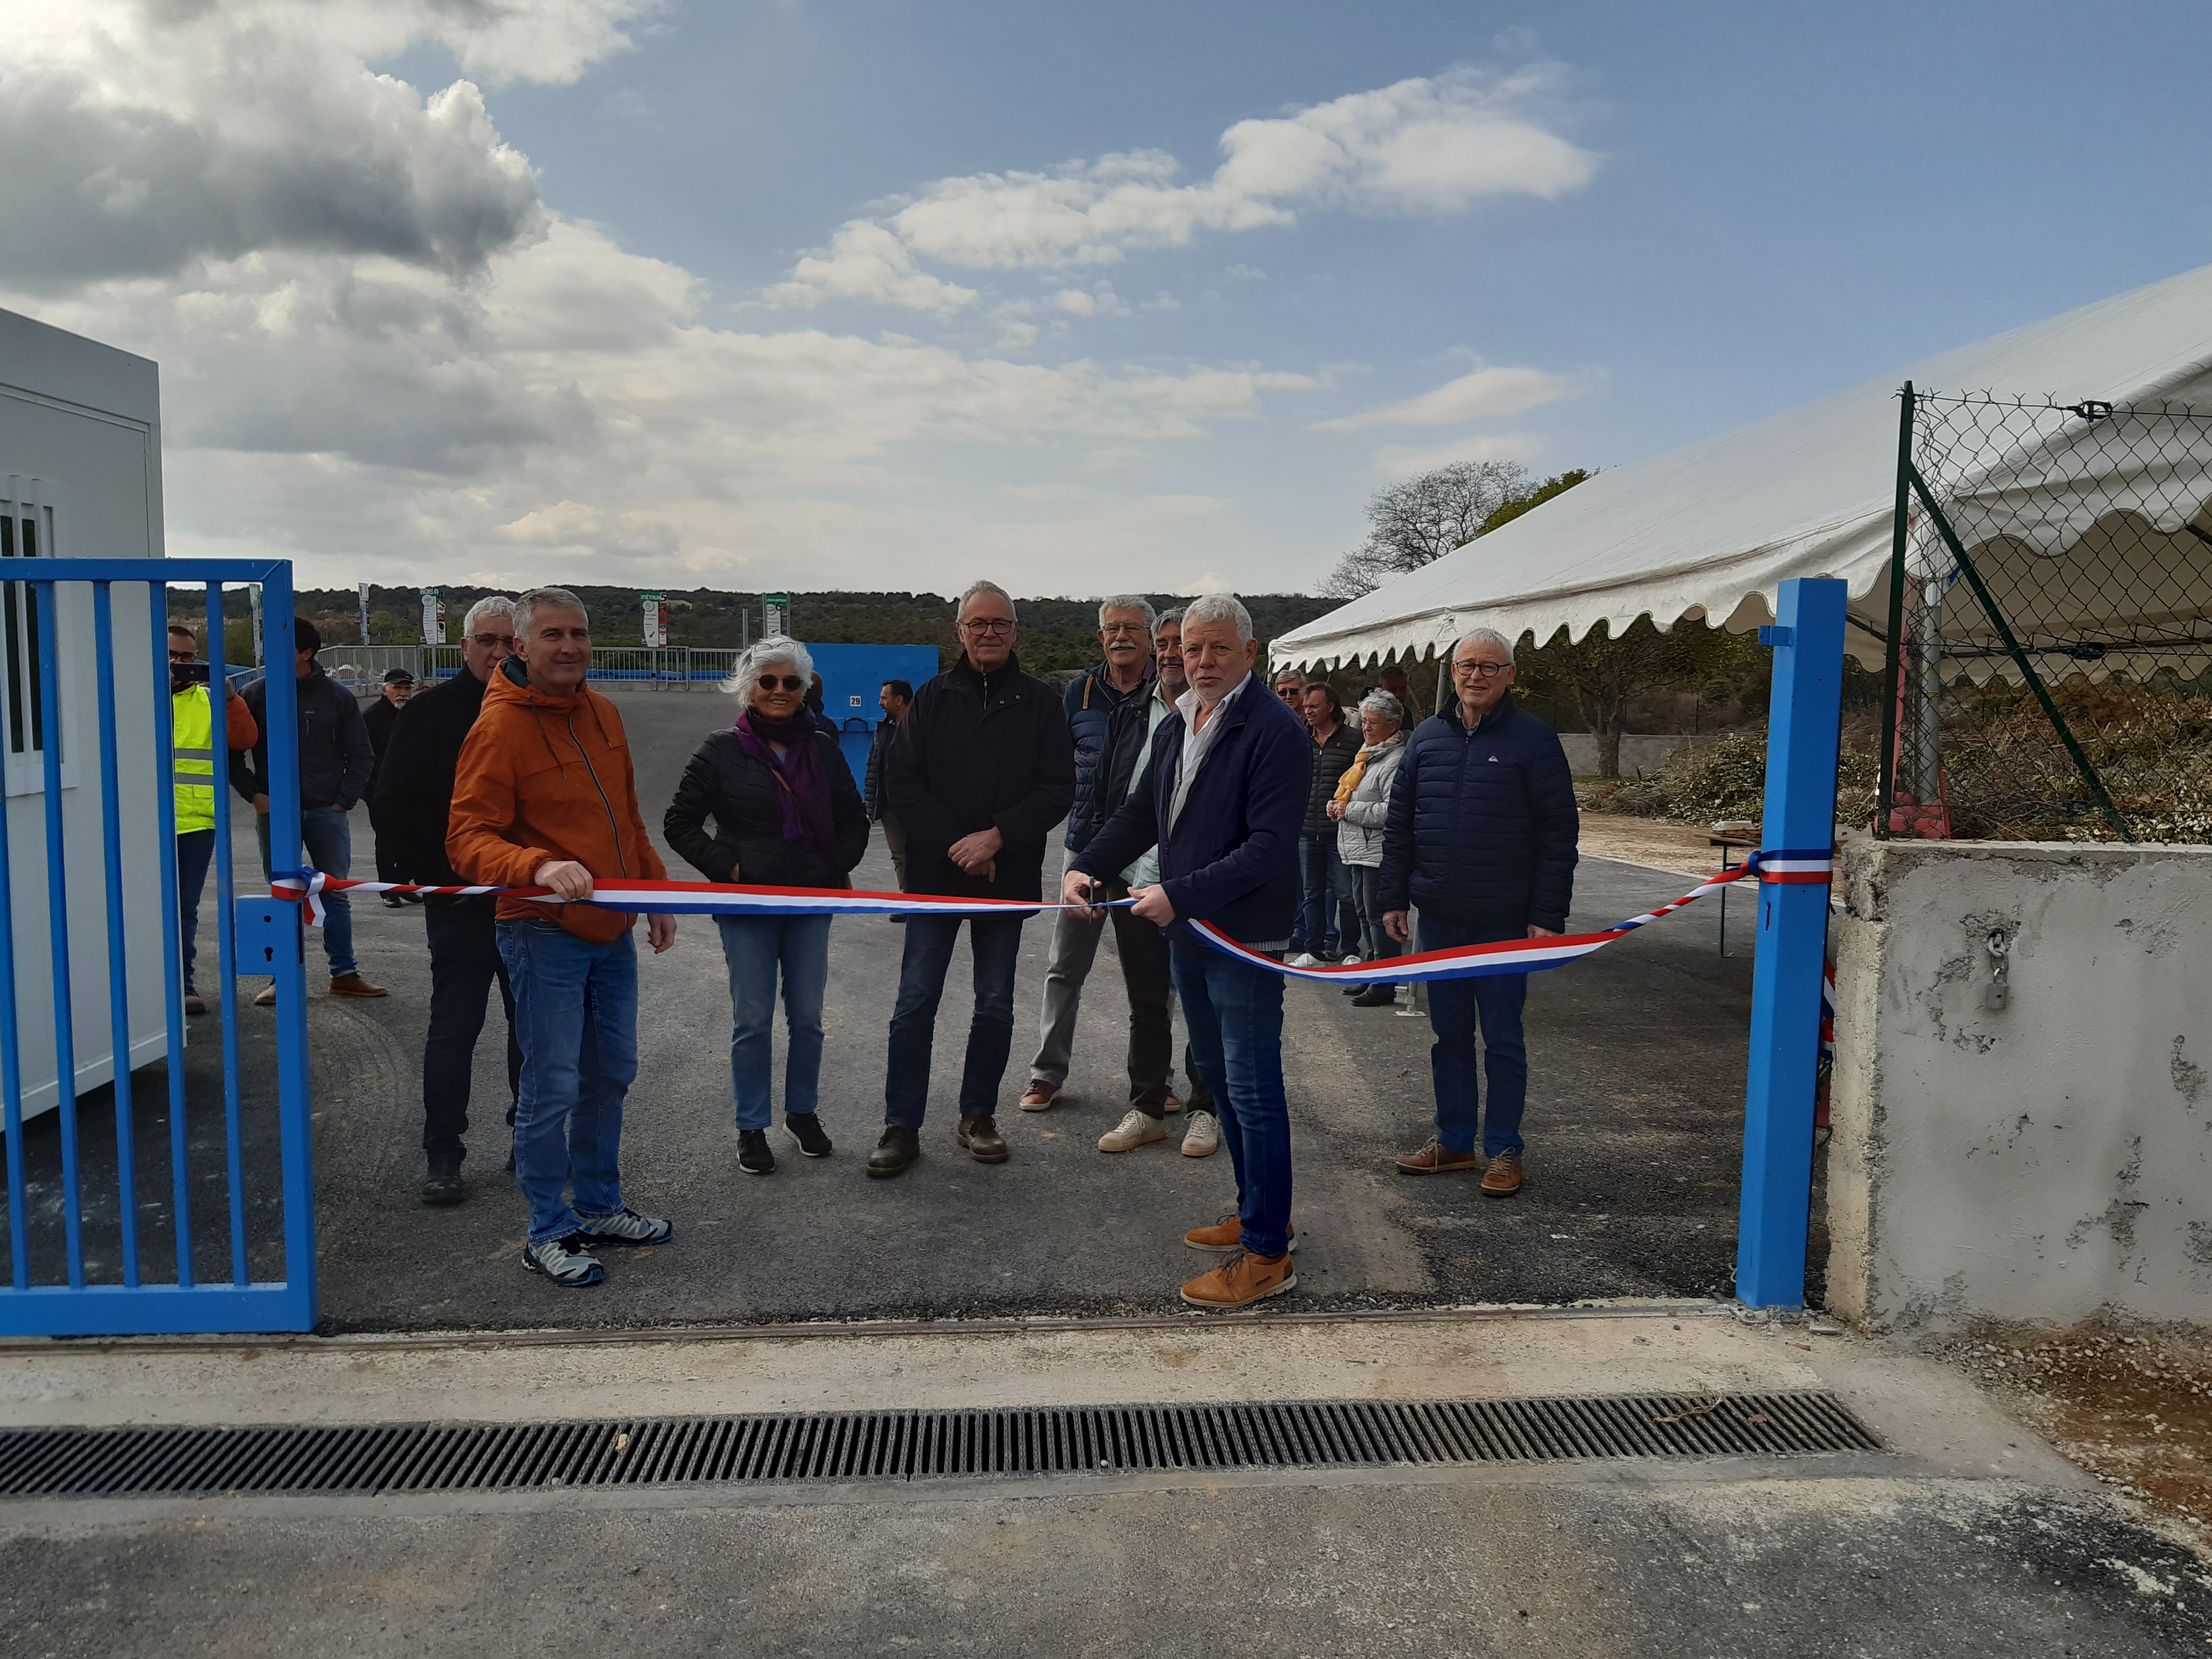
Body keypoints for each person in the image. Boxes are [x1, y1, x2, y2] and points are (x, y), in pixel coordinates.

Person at [1067, 593, 1306, 1311]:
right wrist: (1087, 862)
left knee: (1255, 1091)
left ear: (1250, 653)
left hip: (1243, 940)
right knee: (1225, 1087)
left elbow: (1267, 848)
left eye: (1217, 650)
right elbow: (1142, 812)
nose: (1199, 662)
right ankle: (1261, 1211)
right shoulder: (1180, 722)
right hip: (1192, 937)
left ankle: (1268, 1255)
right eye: (1190, 649)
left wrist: (1179, 895)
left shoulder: (1277, 730)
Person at [446, 587, 680, 1288]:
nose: (570, 647)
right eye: (552, 635)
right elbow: (467, 840)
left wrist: (654, 889)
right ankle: (547, 1227)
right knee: (552, 1086)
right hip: (541, 931)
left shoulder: (603, 713)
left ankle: (600, 1206)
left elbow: (627, 818)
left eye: (578, 634)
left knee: (611, 1073)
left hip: (612, 928)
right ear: (520, 647)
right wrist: (537, 865)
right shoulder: (499, 729)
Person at [872, 580, 1075, 1178]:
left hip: (1005, 878)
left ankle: (978, 1116)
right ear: (959, 631)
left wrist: (998, 837)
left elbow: (1057, 788)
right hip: (938, 878)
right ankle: (900, 1125)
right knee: (915, 1004)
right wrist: (960, 847)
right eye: (978, 623)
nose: (990, 633)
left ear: (1016, 632)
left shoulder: (1040, 703)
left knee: (994, 1005)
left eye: (1001, 624)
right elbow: (903, 783)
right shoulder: (932, 699)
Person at [1379, 627, 1578, 1196]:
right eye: (1468, 665)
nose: (1477, 676)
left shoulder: (1535, 740)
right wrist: (1393, 896)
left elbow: (1559, 831)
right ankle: (1455, 1141)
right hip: (1440, 915)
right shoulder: (1426, 740)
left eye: (1491, 667)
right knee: (1449, 1036)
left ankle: (1505, 1148)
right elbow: (1401, 825)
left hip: (1504, 919)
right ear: (1453, 671)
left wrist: (1547, 914)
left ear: (1510, 675)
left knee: (1503, 1037)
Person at [665, 636, 868, 1177]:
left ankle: (802, 1113)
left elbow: (854, 820)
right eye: (769, 681)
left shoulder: (823, 748)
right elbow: (679, 823)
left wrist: (829, 868)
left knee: (807, 1017)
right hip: (748, 903)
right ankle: (751, 1125)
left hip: (808, 899)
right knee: (753, 1019)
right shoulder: (719, 750)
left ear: (805, 690)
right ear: (749, 688)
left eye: (791, 683)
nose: (780, 691)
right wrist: (727, 867)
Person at [1025, 606, 1219, 1156]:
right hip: (1133, 876)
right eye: (1164, 642)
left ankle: (1207, 1108)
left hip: (1194, 881)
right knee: (1147, 1001)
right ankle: (1148, 1107)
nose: (1170, 652)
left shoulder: (1224, 716)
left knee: (1201, 998)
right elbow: (1122, 803)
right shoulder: (1134, 712)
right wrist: (1093, 864)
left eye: (1181, 642)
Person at [371, 596, 523, 1206]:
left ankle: (529, 1142)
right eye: (487, 641)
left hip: (527, 900)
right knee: (455, 1028)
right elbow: (393, 803)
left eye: (511, 642)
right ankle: (443, 1153)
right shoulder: (430, 714)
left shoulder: (538, 711)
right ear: (464, 647)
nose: (498, 653)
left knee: (531, 1030)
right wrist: (438, 876)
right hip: (459, 902)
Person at [1016, 595, 1156, 1116]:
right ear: (1100, 638)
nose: (1122, 637)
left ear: (1149, 636)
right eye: (1112, 629)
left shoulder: (1166, 691)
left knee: (1150, 972)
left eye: (1133, 629)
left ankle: (1155, 1080)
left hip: (1145, 852)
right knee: (1064, 966)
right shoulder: (1079, 693)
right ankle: (1046, 1074)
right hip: (1086, 846)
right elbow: (1054, 766)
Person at [231, 617, 385, 1003]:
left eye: (282, 648)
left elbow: (362, 755)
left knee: (335, 893)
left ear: (306, 653)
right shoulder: (254, 695)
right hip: (275, 814)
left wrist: (341, 801)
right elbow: (231, 754)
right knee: (283, 894)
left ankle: (344, 974)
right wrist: (255, 796)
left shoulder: (337, 697)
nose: (270, 657)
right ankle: (282, 979)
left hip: (325, 813)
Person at [167, 623, 258, 1018]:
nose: (179, 663)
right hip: (139, 823)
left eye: (187, 657)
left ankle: (183, 985)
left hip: (196, 822)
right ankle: (141, 983)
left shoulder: (209, 701)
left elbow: (245, 739)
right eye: (171, 655)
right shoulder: (132, 695)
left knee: (184, 908)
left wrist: (231, 698)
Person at [1327, 691, 1409, 1008]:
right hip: (1358, 848)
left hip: (1378, 851)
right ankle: (1372, 969)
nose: (1366, 728)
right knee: (1364, 913)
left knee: (1378, 916)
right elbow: (1355, 795)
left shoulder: (1394, 760)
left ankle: (1384, 980)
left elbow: (1392, 811)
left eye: (1373, 723)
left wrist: (1348, 811)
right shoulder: (1367, 755)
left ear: (1393, 725)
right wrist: (1337, 805)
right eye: (1363, 722)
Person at [1289, 683, 1360, 968]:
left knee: (1346, 894)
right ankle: (1313, 950)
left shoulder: (1353, 740)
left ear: (1331, 707)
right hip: (1306, 830)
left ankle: (1350, 951)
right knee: (1312, 894)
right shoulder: (1299, 738)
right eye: (1307, 707)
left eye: (1314, 706)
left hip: (1341, 831)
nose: (1308, 711)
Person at [363, 668, 417, 908]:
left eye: (407, 688)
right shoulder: (372, 717)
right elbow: (362, 756)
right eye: (398, 688)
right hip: (380, 790)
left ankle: (404, 885)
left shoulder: (415, 714)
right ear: (386, 690)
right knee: (386, 840)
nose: (403, 693)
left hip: (411, 790)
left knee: (414, 838)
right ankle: (388, 890)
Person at [864, 678, 914, 891]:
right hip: (888, 807)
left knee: (921, 855)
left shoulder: (922, 727)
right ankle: (908, 900)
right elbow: (873, 764)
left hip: (916, 805)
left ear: (899, 700)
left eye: (884, 698)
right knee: (899, 856)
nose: (880, 703)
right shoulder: (883, 730)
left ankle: (927, 899)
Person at [1379, 660, 1430, 727]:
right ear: (1380, 689)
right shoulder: (1368, 717)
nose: (1398, 695)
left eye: (1403, 689)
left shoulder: (1407, 715)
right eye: (1392, 690)